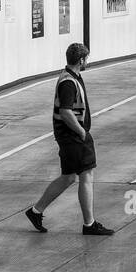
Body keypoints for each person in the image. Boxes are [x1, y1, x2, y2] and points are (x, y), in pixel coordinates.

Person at [24, 43, 114, 235]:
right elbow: (65, 112)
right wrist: (81, 132)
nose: (87, 62)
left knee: (68, 177)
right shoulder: (68, 82)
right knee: (86, 175)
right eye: (86, 59)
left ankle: (35, 211)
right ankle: (89, 224)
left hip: (67, 136)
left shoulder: (71, 77)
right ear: (81, 60)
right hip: (73, 136)